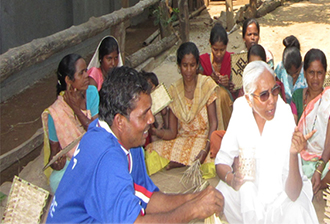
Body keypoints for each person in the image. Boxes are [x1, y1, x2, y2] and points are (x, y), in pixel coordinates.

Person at [47, 66, 224, 223]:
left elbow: (147, 198)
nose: (151, 119)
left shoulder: (129, 142)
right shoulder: (107, 158)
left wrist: (193, 199)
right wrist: (192, 210)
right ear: (120, 121)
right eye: (143, 115)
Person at [215, 61, 319, 224]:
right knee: (223, 193)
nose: (272, 100)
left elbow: (293, 192)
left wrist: (293, 154)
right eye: (264, 95)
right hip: (250, 198)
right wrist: (231, 179)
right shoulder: (241, 108)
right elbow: (222, 161)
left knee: (296, 210)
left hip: (280, 200)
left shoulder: (284, 115)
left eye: (275, 91)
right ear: (249, 99)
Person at [146, 43, 218, 172]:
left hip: (204, 140)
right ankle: (186, 162)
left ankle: (182, 162)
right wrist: (156, 132)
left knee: (213, 158)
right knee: (152, 151)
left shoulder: (206, 85)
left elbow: (213, 123)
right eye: (185, 65)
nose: (189, 70)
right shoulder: (174, 90)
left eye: (192, 65)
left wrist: (205, 149)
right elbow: (173, 133)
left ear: (197, 65)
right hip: (182, 140)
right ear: (179, 66)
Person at [41, 54, 99, 193]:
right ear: (68, 80)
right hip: (72, 163)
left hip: (94, 154)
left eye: (86, 70)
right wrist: (57, 164)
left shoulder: (91, 93)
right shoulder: (56, 113)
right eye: (81, 73)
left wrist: (76, 109)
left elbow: (96, 132)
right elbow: (54, 153)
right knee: (56, 180)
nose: (87, 75)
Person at [290, 49, 330, 195]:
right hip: (301, 153)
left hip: (324, 156)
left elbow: (329, 143)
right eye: (311, 72)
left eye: (319, 73)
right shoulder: (298, 96)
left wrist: (319, 169)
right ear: (304, 73)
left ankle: (311, 186)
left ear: (325, 73)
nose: (315, 78)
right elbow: (292, 132)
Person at [200, 23, 233, 130]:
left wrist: (228, 84)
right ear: (210, 44)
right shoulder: (202, 62)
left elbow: (239, 88)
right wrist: (209, 80)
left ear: (226, 46)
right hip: (207, 107)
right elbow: (197, 86)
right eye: (215, 49)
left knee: (221, 95)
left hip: (227, 105)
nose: (219, 54)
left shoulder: (232, 60)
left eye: (222, 50)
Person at [275, 35, 307, 104]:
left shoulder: (308, 72)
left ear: (301, 65)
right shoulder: (280, 68)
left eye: (296, 72)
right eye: (289, 73)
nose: (293, 76)